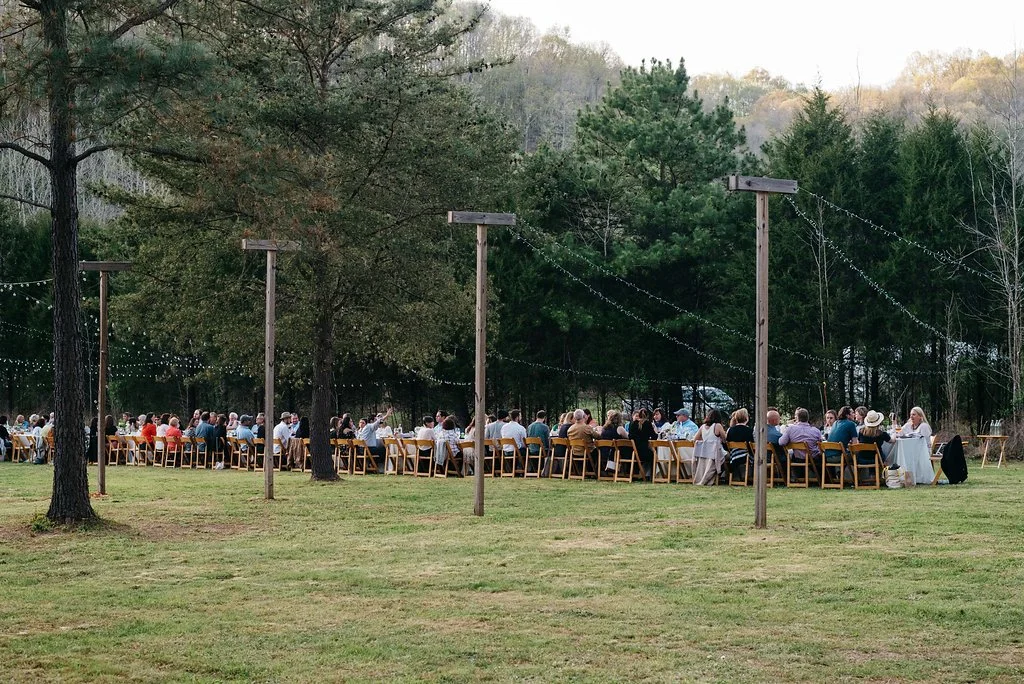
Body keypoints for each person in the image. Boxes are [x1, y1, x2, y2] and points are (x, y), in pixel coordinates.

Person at [692, 410, 726, 485]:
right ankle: (726, 477)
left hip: (705, 454)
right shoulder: (718, 426)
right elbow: (724, 439)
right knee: (729, 457)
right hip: (716, 454)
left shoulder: (702, 427)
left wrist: (705, 442)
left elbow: (695, 439)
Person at [725, 408, 755, 482]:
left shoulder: (730, 430)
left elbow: (727, 442)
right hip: (746, 456)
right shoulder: (749, 431)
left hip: (733, 455)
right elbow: (752, 444)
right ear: (746, 418)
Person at [628, 408, 657, 481]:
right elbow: (654, 436)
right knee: (653, 455)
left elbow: (630, 436)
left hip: (633, 451)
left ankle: (638, 474)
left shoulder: (633, 423)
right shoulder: (647, 424)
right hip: (643, 452)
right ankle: (651, 476)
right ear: (647, 416)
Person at [566, 408, 598, 473]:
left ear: (574, 417)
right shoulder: (587, 428)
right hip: (587, 452)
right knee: (598, 452)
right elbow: (598, 437)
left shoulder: (570, 429)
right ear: (583, 416)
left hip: (575, 452)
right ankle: (595, 471)